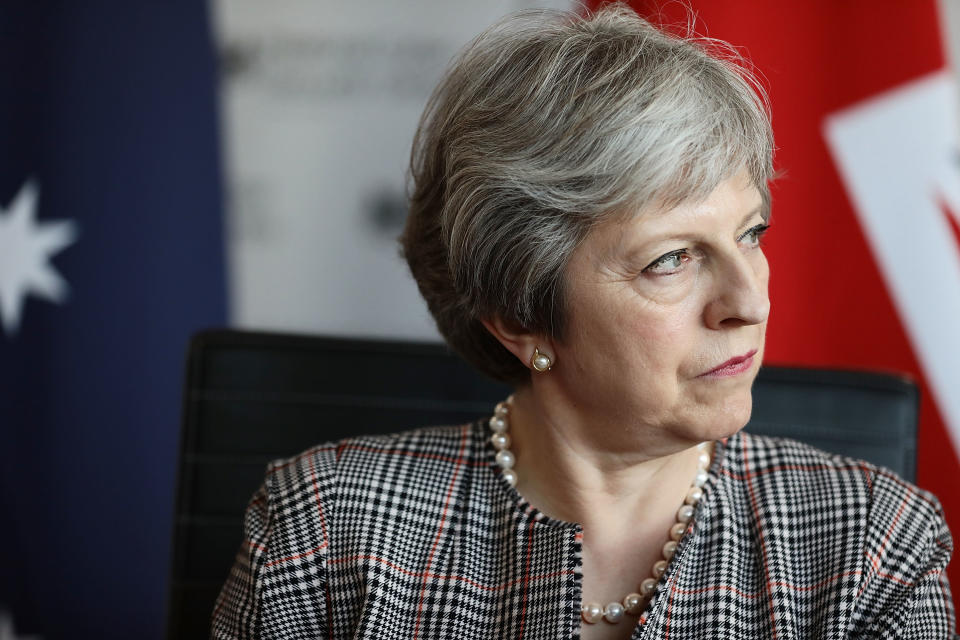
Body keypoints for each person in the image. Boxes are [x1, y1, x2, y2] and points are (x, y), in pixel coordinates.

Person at [211, 5, 956, 639]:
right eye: (671, 259)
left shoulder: (873, 544)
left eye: (750, 234)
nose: (751, 302)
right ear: (519, 315)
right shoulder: (326, 531)